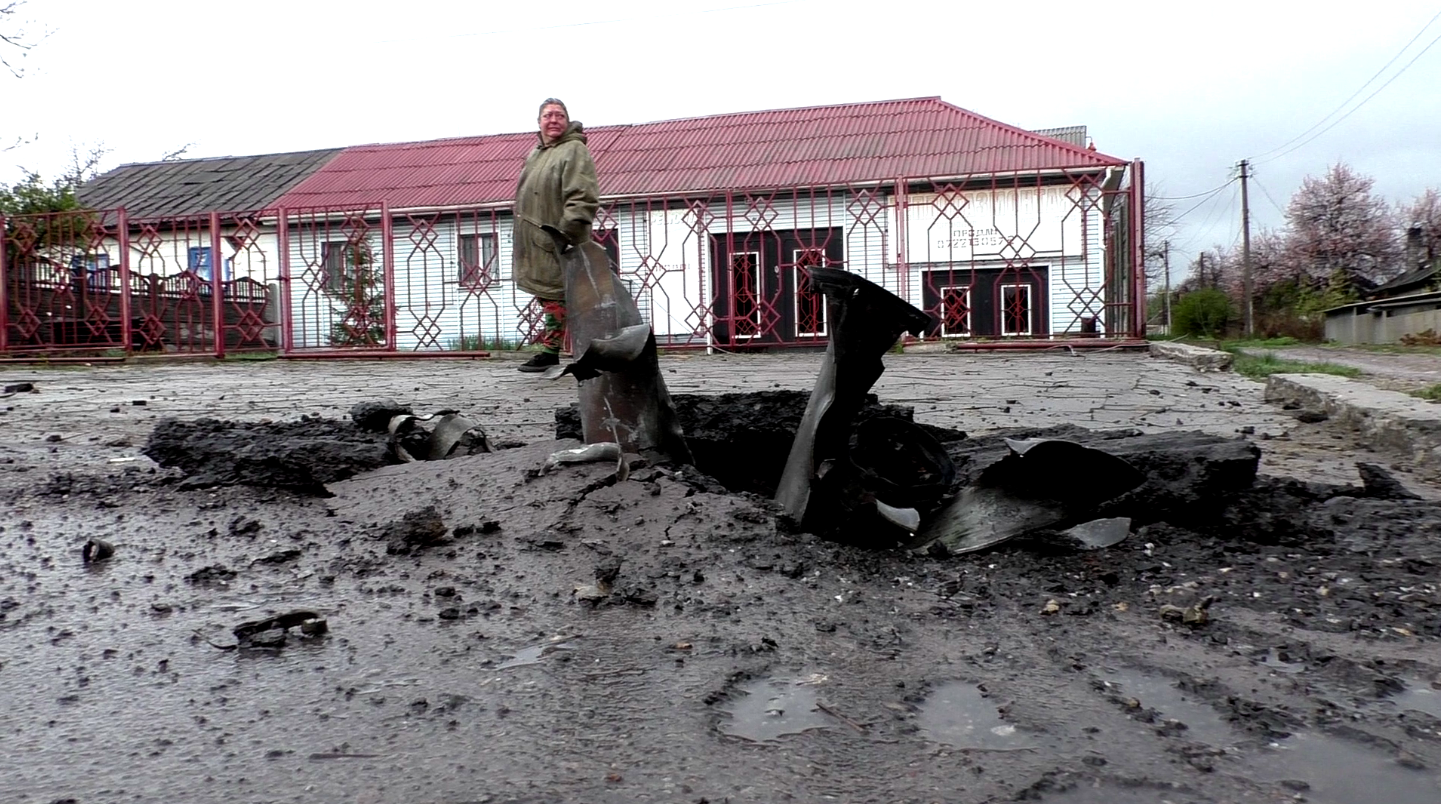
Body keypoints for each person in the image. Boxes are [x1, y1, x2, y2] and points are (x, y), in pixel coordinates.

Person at [511, 98, 600, 372]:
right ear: (539, 122)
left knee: (557, 298)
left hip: (558, 238)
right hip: (535, 239)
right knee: (550, 297)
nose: (553, 120)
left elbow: (582, 196)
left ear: (567, 120)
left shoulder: (574, 150)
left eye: (559, 115)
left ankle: (552, 351)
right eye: (547, 115)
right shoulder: (537, 153)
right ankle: (572, 350)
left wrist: (567, 231)